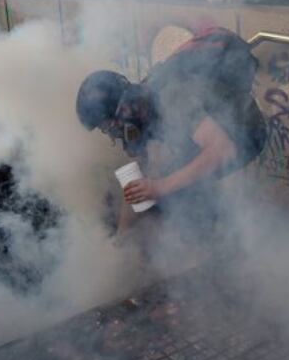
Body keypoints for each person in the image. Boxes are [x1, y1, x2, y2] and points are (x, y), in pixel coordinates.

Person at [75, 28, 267, 233]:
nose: (110, 133)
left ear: (122, 108)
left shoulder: (171, 95)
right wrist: (120, 240)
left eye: (107, 126)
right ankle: (204, 234)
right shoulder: (137, 113)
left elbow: (223, 150)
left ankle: (214, 244)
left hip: (245, 132)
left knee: (176, 189)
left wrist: (159, 187)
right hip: (210, 136)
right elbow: (136, 186)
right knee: (166, 181)